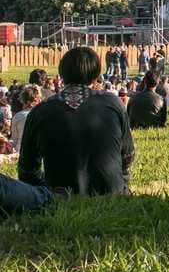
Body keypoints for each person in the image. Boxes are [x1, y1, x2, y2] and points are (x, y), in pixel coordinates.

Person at [17, 47, 135, 195]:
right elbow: (128, 156)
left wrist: (48, 190)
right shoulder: (113, 103)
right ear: (96, 75)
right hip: (112, 193)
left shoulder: (40, 111)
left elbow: (26, 170)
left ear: (62, 73)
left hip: (60, 196)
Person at [10, 85, 41, 152]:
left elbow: (14, 138)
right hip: (38, 150)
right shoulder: (42, 115)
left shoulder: (17, 116)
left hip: (21, 150)